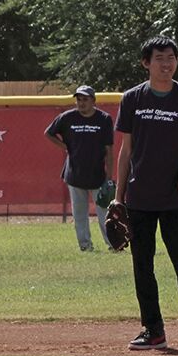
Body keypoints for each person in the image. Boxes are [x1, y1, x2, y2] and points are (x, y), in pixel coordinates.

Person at [113, 36, 178, 353]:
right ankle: (153, 330)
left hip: (173, 197)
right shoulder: (132, 99)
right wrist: (119, 197)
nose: (166, 63)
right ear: (146, 63)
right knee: (142, 265)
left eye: (171, 57)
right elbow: (126, 149)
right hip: (140, 196)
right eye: (159, 58)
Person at [44, 85, 115, 251]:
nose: (81, 103)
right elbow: (48, 133)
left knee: (104, 212)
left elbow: (109, 150)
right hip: (75, 174)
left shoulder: (103, 119)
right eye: (79, 99)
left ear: (93, 101)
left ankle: (113, 244)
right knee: (79, 214)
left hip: (98, 175)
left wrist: (109, 178)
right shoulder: (67, 117)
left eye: (85, 99)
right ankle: (85, 245)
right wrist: (64, 146)